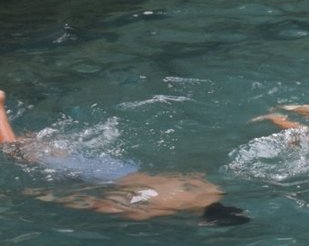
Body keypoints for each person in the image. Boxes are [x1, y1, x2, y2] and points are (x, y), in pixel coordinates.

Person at [0, 89, 247, 224]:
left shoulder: (212, 190)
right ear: (205, 222)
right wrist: (44, 196)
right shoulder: (157, 210)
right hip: (98, 179)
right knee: (16, 154)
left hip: (122, 167)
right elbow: (98, 204)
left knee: (50, 150)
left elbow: (188, 173)